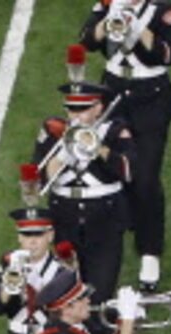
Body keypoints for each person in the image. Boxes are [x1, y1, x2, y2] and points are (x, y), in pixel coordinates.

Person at [76, 3, 171, 289]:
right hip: (112, 95)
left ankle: (150, 251)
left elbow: (168, 55)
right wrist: (108, 20)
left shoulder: (163, 9)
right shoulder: (108, 4)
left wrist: (137, 27)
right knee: (115, 172)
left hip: (150, 99)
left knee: (145, 178)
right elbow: (86, 40)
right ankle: (113, 240)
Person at [29, 69, 135, 301]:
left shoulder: (115, 130)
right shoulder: (53, 131)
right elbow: (37, 182)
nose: (75, 115)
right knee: (67, 291)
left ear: (98, 108)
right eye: (71, 109)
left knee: (101, 290)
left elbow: (128, 171)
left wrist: (98, 147)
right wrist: (62, 154)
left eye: (83, 109)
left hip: (105, 216)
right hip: (64, 216)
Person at [0, 198, 77, 334]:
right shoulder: (7, 263)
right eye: (27, 235)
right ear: (19, 237)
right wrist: (9, 286)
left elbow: (70, 312)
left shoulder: (62, 269)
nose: (32, 241)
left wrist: (36, 283)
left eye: (39, 234)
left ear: (50, 236)